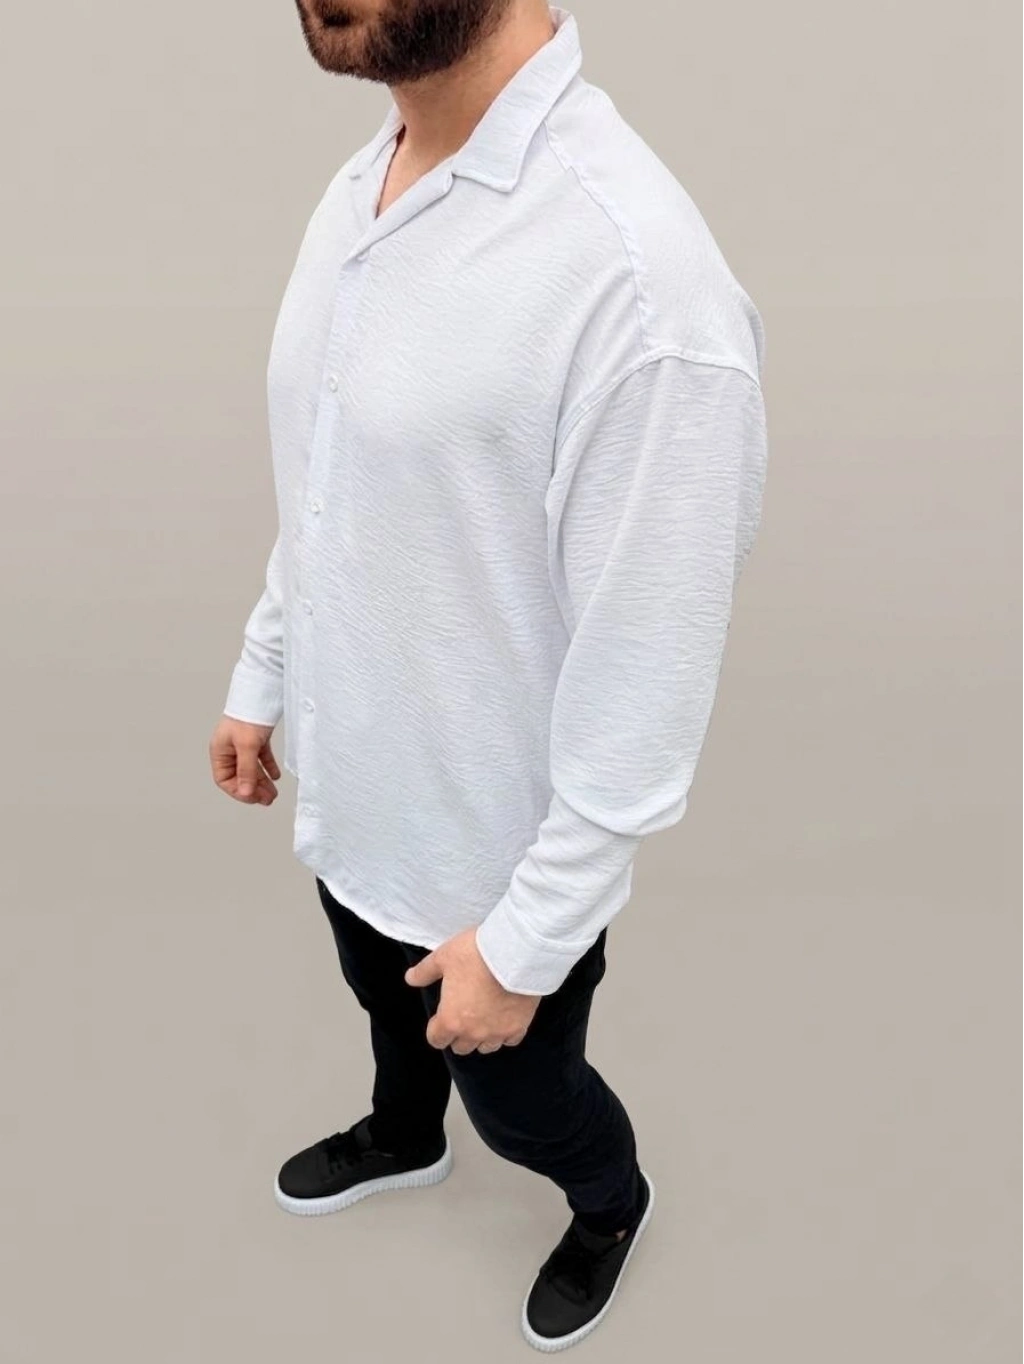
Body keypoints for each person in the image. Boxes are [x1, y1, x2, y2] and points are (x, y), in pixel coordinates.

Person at [208, 0, 768, 1350]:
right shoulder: (370, 184)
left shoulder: (639, 287)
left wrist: (526, 944)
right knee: (377, 1002)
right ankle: (405, 1136)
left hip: (497, 869)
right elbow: (333, 481)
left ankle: (611, 1206)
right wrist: (263, 669)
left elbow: (649, 677)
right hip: (360, 798)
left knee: (526, 1106)